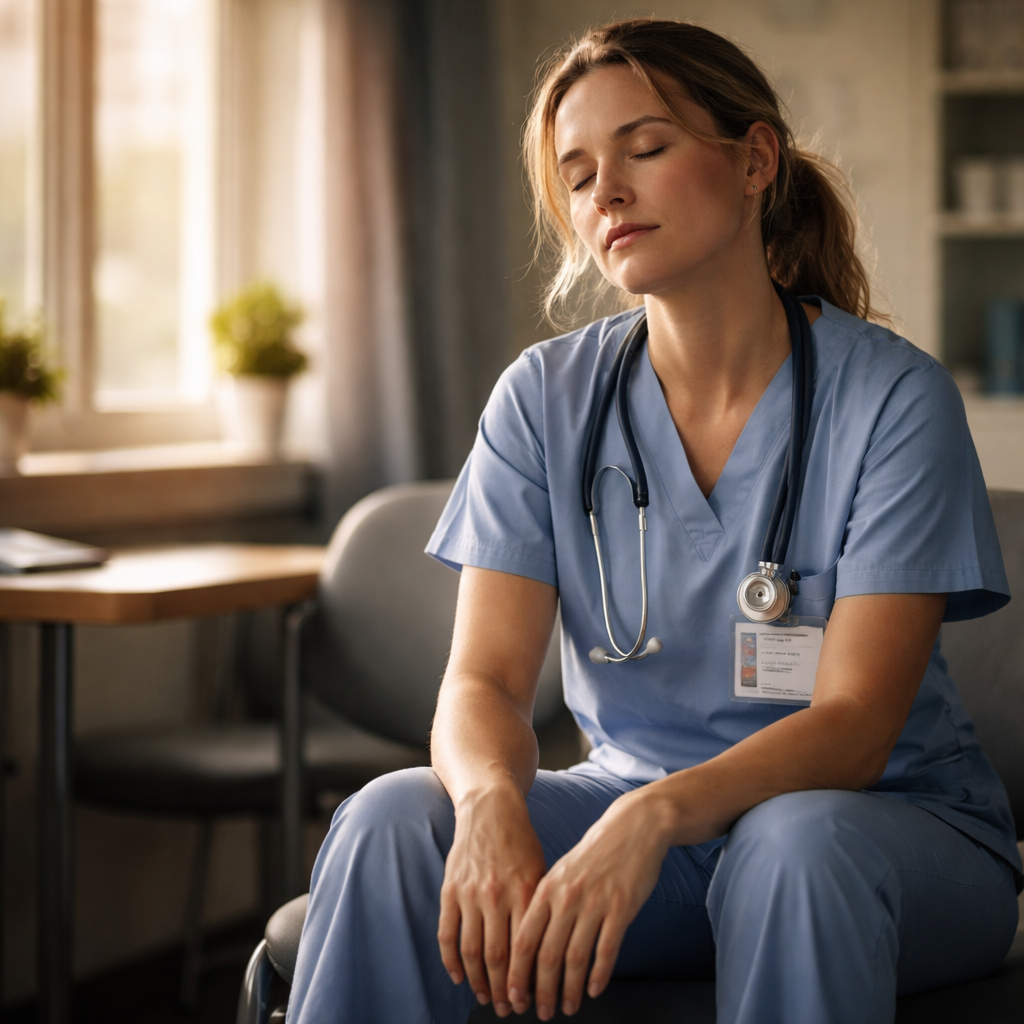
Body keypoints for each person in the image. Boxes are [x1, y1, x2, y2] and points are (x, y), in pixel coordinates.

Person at [288, 18, 1021, 1024]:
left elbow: (852, 726)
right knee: (394, 818)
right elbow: (485, 681)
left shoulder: (893, 400)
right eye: (579, 174)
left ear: (754, 159)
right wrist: (495, 802)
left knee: (792, 845)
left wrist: (654, 813)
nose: (608, 195)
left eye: (645, 148)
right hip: (645, 827)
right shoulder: (543, 399)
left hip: (881, 830)